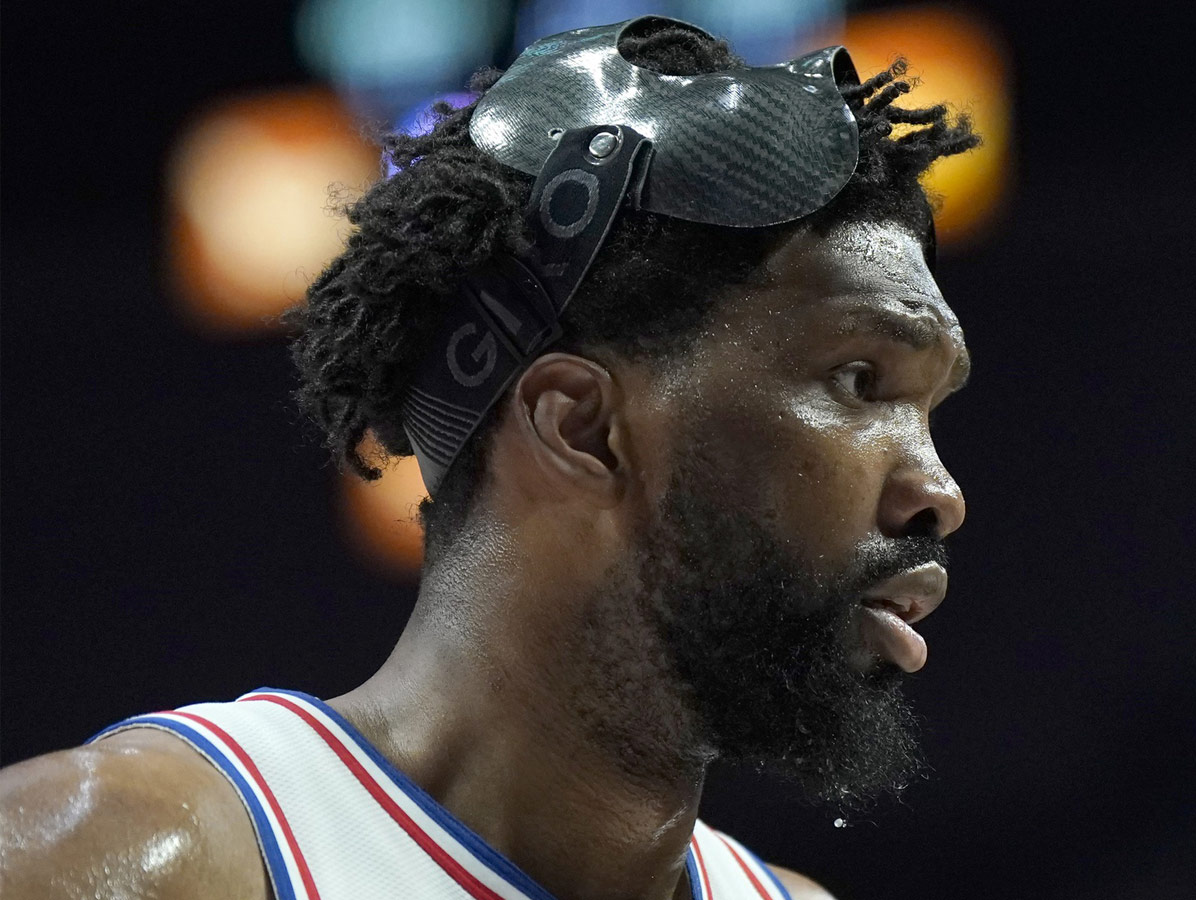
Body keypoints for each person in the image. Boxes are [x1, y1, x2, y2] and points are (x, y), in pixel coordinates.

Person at [0, 17, 976, 900]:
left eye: (930, 410)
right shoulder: (108, 862)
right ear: (579, 426)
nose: (938, 493)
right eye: (859, 381)